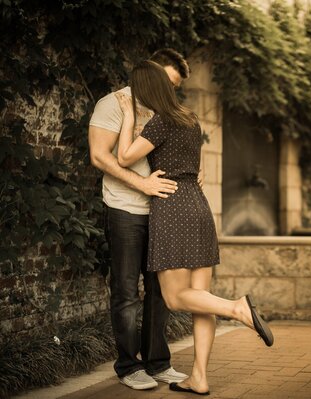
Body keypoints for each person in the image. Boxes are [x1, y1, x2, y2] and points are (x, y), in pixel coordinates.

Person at [115, 60, 274, 396]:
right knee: (200, 300)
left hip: (172, 207)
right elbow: (194, 167)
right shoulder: (189, 118)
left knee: (175, 298)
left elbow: (125, 157)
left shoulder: (160, 122)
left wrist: (129, 116)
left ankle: (236, 308)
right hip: (198, 206)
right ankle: (199, 377)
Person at [88, 49, 190, 390]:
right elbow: (100, 156)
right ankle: (130, 366)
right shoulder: (113, 104)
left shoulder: (165, 110)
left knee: (161, 291)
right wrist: (142, 183)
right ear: (150, 71)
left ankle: (158, 362)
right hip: (126, 210)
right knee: (127, 292)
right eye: (167, 81)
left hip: (163, 213)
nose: (170, 90)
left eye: (175, 86)